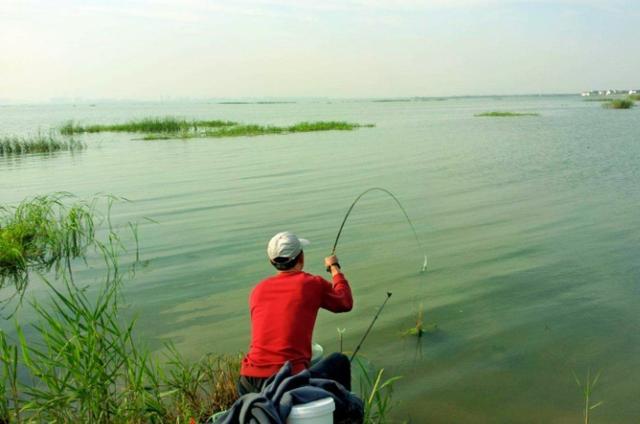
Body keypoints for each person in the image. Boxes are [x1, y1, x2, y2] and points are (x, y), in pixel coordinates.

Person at [238, 231, 354, 395]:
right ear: (301, 258)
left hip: (248, 381)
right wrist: (334, 268)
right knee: (339, 362)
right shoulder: (311, 284)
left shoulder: (258, 290)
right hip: (288, 379)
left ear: (272, 261)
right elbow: (345, 302)